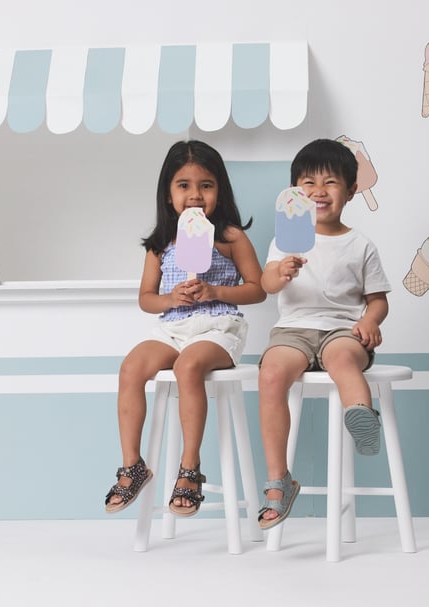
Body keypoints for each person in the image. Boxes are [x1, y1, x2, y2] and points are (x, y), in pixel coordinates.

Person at [104, 140, 266, 516]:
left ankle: (189, 468)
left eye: (206, 185)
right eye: (184, 185)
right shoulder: (161, 244)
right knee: (131, 367)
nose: (195, 195)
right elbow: (147, 297)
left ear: (219, 190)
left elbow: (258, 289)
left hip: (218, 328)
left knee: (188, 366)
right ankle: (133, 465)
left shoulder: (230, 238)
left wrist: (214, 290)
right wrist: (171, 298)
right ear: (168, 193)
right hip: (173, 328)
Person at [256, 138, 391, 530]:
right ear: (294, 192)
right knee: (271, 374)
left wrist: (370, 321)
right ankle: (279, 481)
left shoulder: (360, 244)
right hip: (294, 330)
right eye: (307, 183)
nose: (318, 191)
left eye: (330, 182)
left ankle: (361, 417)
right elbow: (266, 284)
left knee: (343, 359)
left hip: (341, 329)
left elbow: (378, 300)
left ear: (350, 190)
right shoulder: (284, 240)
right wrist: (279, 272)